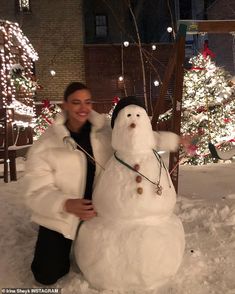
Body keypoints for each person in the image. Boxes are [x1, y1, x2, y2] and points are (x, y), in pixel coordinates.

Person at [23, 82, 113, 285]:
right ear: (64, 106)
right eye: (76, 102)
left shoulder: (105, 133)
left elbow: (135, 138)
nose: (83, 108)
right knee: (46, 275)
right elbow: (35, 192)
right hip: (64, 215)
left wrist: (174, 141)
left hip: (98, 211)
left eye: (87, 102)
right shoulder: (46, 145)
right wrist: (66, 204)